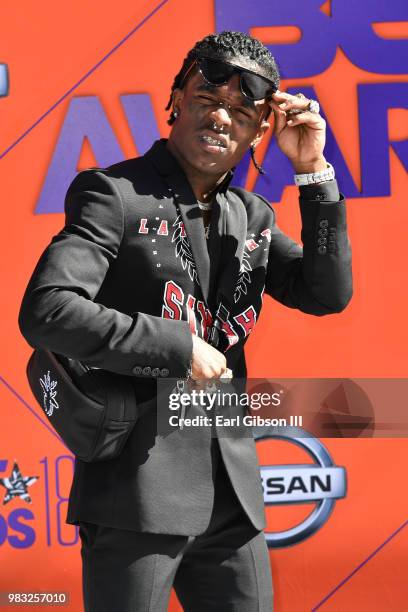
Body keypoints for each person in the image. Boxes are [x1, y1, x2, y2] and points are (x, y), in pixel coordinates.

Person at [18, 31, 352, 612]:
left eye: (243, 112)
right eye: (207, 100)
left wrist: (315, 172)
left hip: (234, 499)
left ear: (258, 133)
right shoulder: (114, 194)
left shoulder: (250, 214)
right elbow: (49, 308)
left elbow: (326, 293)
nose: (223, 118)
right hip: (136, 493)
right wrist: (178, 346)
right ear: (176, 99)